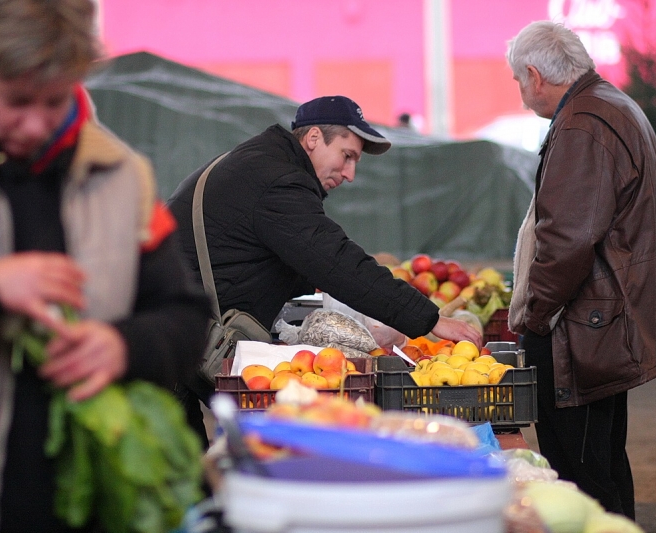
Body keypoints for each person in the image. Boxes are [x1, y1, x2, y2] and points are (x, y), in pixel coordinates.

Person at [0, 0, 209, 531]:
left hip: (81, 506)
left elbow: (184, 317)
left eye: (55, 100)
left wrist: (123, 345)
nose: (35, 124)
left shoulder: (119, 175)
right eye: (15, 101)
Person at [168, 95, 482, 423]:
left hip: (176, 329)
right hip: (169, 336)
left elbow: (290, 255)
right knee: (175, 454)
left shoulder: (261, 161)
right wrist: (431, 320)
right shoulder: (277, 180)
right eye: (347, 156)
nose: (350, 174)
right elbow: (335, 262)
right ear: (314, 138)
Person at [505, 21, 656, 519]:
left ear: (534, 75)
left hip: (582, 331)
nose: (521, 93)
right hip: (604, 323)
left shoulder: (583, 124)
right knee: (603, 464)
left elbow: (567, 240)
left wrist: (534, 315)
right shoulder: (611, 104)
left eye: (519, 82)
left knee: (581, 477)